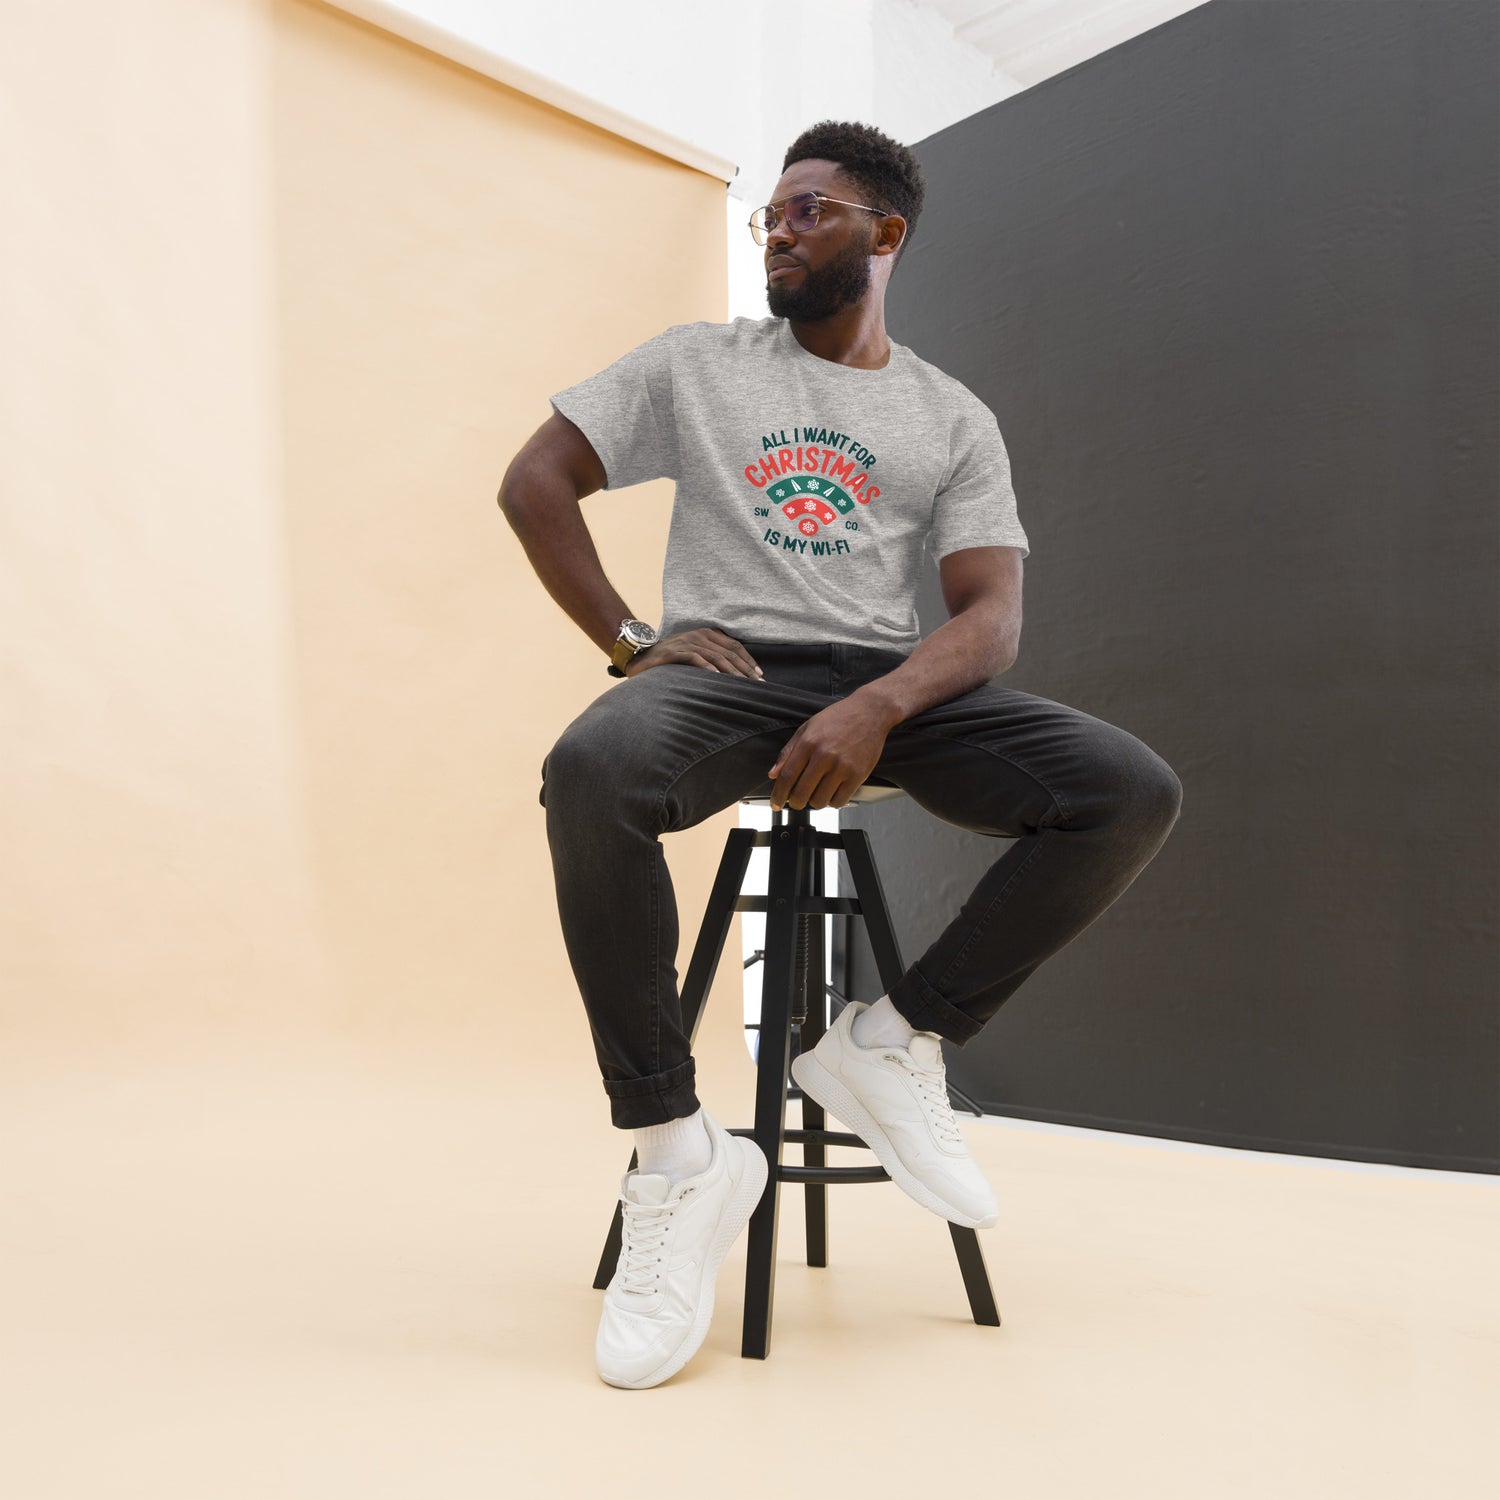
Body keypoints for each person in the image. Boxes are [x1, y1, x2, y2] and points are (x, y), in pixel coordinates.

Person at [498, 120, 1182, 1389]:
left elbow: (990, 617)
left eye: (808, 211)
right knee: (591, 773)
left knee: (1126, 790)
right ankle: (677, 1157)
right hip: (728, 675)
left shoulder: (949, 416)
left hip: (887, 684)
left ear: (885, 234)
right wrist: (637, 640)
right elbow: (534, 480)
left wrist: (879, 707)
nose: (779, 229)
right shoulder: (697, 365)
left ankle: (889, 1041)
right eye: (770, 213)